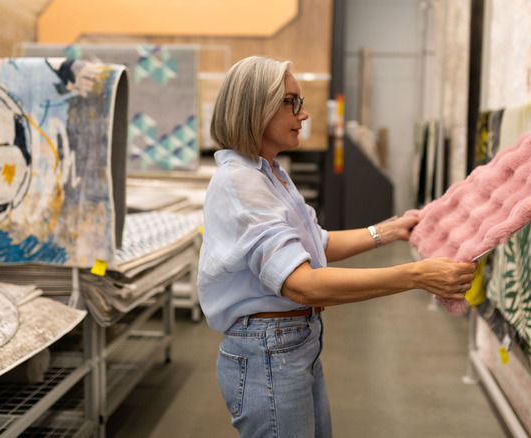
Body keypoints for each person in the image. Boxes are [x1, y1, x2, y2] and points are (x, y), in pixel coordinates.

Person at [197, 55, 478, 438]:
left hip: (293, 343)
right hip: (268, 353)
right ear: (257, 108)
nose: (305, 114)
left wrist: (389, 230)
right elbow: (302, 284)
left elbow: (318, 243)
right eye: (292, 102)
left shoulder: (272, 173)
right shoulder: (241, 182)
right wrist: (416, 276)